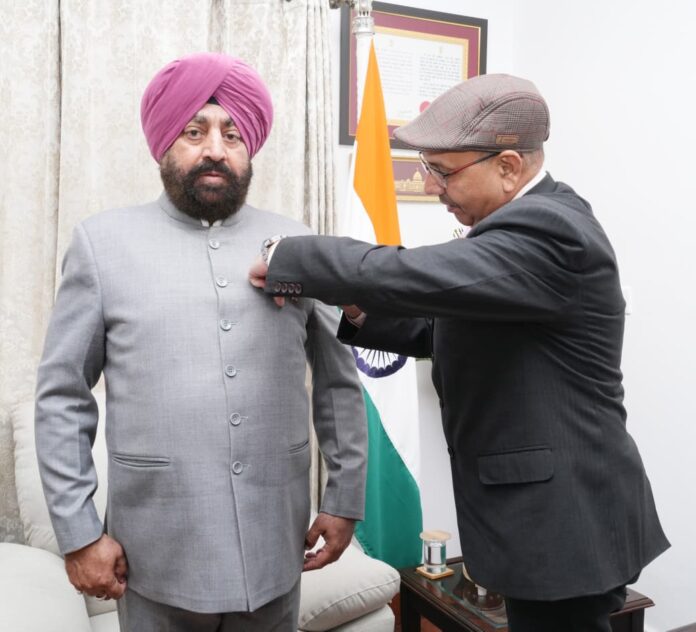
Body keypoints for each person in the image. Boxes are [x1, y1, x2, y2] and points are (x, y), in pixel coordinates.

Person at [249, 73, 670, 632]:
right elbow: (442, 326)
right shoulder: (519, 225)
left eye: (443, 172)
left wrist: (291, 256)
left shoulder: (550, 230)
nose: (433, 187)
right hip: (545, 513)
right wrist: (355, 304)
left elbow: (411, 273)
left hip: (567, 519)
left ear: (508, 166)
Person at [35, 52, 367, 632]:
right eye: (195, 131)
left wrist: (344, 498)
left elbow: (338, 383)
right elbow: (62, 396)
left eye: (232, 135)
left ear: (249, 148)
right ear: (165, 141)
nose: (215, 149)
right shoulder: (102, 244)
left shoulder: (297, 243)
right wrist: (80, 533)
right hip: (154, 550)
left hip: (274, 539)